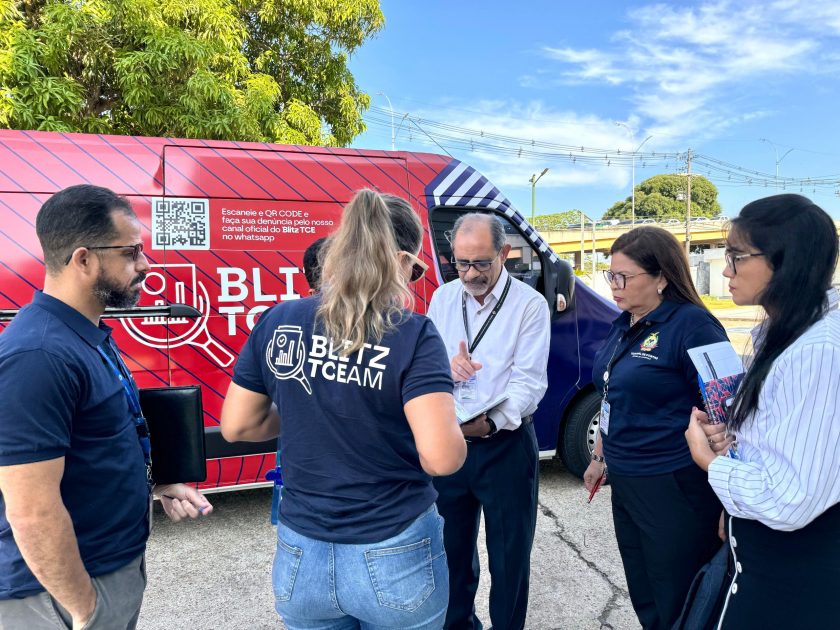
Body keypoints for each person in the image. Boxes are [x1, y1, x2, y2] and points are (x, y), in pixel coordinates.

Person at [220, 189, 466, 630]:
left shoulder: (280, 319)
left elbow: (238, 425)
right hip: (395, 545)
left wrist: (307, 413)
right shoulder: (414, 334)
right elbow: (443, 458)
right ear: (404, 262)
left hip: (301, 549)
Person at [0, 185, 212, 630]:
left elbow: (95, 446)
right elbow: (30, 509)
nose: (145, 264)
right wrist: (84, 608)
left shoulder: (80, 334)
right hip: (54, 598)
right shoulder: (39, 355)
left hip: (101, 573)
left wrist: (155, 485)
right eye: (131, 251)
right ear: (83, 259)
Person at [685, 194, 840, 628]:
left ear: (786, 260)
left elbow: (790, 498)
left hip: (794, 571)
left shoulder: (816, 351)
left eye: (736, 256)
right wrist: (734, 444)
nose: (725, 269)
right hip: (765, 557)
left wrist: (710, 461)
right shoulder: (783, 331)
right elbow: (783, 445)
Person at [585, 226, 727, 630]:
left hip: (673, 485)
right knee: (644, 590)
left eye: (623, 277)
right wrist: (600, 456)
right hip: (627, 482)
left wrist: (730, 500)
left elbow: (727, 410)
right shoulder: (624, 323)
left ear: (662, 276)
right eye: (610, 275)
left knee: (678, 595)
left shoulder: (694, 326)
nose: (614, 285)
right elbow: (612, 393)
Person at [426, 212, 550, 630]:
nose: (470, 274)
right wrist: (448, 366)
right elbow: (427, 367)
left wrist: (492, 424)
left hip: (504, 444)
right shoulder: (443, 298)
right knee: (450, 551)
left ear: (505, 253)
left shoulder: (529, 305)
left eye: (481, 263)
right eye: (461, 263)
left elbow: (530, 381)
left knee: (509, 556)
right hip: (451, 445)